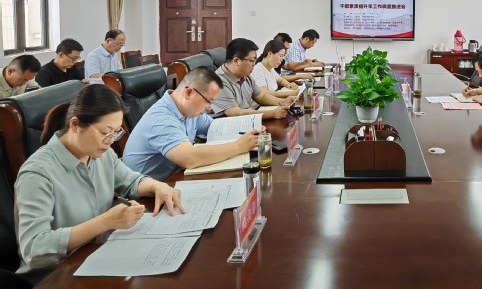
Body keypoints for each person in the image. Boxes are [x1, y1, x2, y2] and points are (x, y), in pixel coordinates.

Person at [14, 85, 184, 282]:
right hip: (58, 276)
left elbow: (132, 182)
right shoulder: (37, 173)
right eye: (105, 132)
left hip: (99, 254)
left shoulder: (100, 153)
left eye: (116, 133)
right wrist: (106, 221)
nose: (110, 141)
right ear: (75, 125)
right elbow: (34, 249)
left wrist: (157, 186)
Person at [122, 67, 260, 181]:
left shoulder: (188, 111)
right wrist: (238, 146)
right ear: (188, 93)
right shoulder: (161, 119)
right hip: (148, 196)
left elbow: (217, 128)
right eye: (208, 101)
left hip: (175, 179)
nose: (210, 108)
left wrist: (252, 129)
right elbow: (191, 158)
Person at [211, 38, 295, 120]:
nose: (254, 65)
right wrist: (271, 113)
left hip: (250, 118)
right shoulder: (219, 81)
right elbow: (235, 113)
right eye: (251, 61)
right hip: (232, 124)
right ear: (236, 61)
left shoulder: (245, 75)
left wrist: (284, 102)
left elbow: (261, 97)